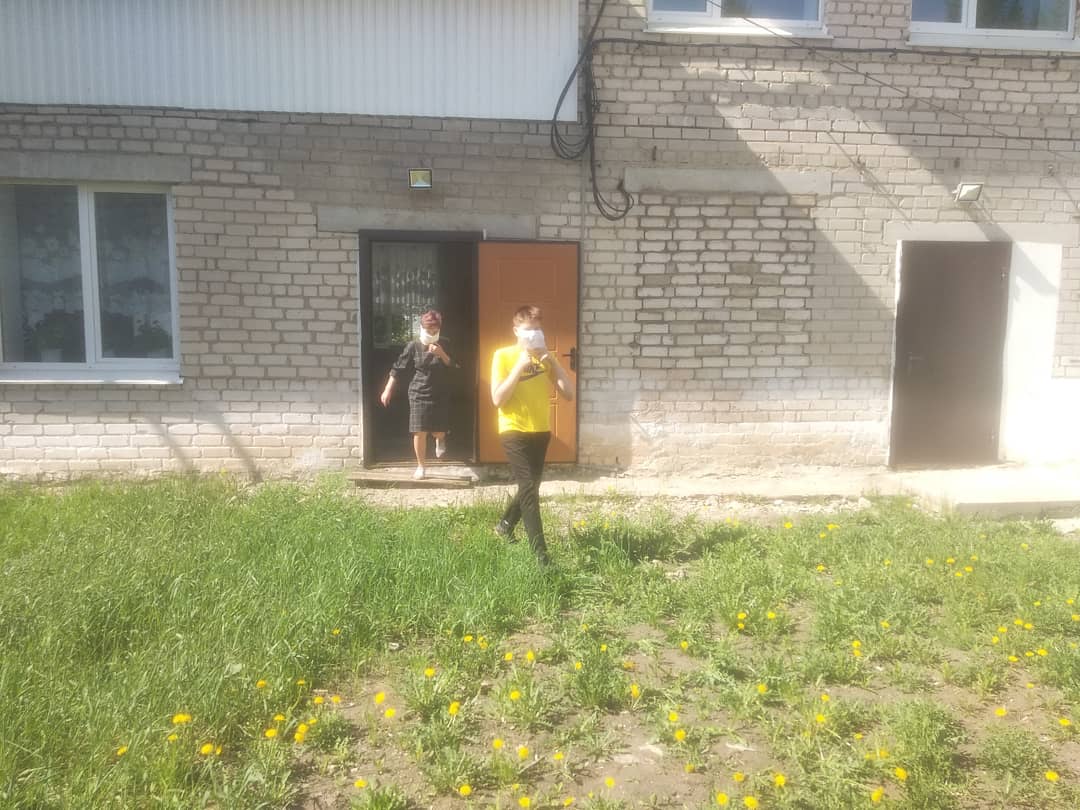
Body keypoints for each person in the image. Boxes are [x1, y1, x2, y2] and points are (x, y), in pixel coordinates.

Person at [490, 305, 574, 564]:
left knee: (531, 486)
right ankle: (541, 556)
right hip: (513, 429)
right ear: (516, 330)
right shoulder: (503, 356)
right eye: (529, 330)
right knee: (528, 487)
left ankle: (504, 526)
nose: (534, 334)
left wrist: (552, 361)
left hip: (540, 430)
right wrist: (519, 367)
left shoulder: (544, 357)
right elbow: (497, 399)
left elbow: (568, 393)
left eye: (538, 329)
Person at [380, 309, 453, 479]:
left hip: (440, 392)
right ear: (421, 328)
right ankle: (421, 466)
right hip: (418, 392)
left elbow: (455, 366)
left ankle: (440, 439)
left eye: (435, 331)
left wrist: (442, 354)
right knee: (419, 431)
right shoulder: (413, 346)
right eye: (429, 330)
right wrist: (387, 389)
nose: (432, 334)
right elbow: (398, 368)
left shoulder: (445, 343)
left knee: (438, 431)